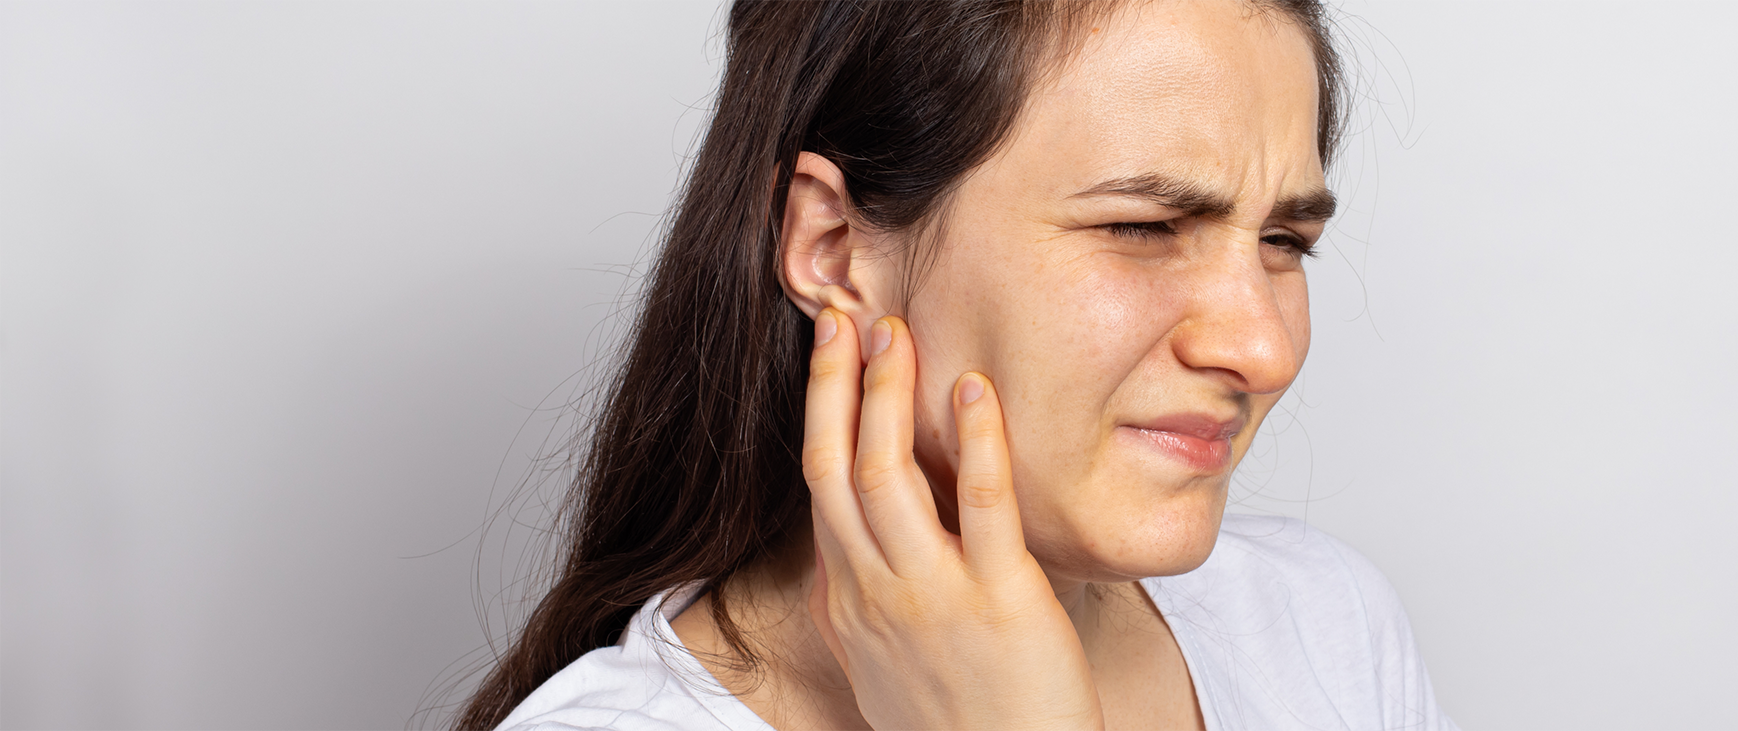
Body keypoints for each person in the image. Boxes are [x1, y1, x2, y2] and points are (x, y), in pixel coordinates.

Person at [455, 0, 1460, 729]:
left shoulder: (1324, 621)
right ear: (832, 249)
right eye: (1143, 227)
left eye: (1283, 241)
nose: (1261, 347)